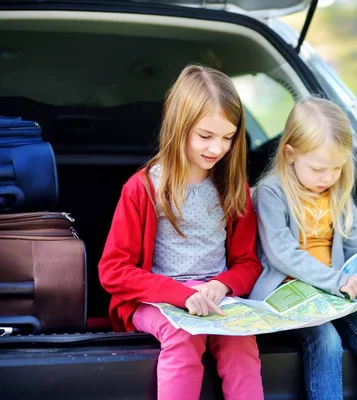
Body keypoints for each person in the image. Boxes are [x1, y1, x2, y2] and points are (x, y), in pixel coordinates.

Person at [98, 64, 263, 400]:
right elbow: (113, 270)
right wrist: (182, 295)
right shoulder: (143, 188)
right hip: (158, 300)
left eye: (228, 137)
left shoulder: (234, 189)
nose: (217, 148)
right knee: (182, 334)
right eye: (205, 136)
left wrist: (221, 285)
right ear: (179, 126)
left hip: (218, 298)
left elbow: (248, 262)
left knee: (241, 341)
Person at [249, 96, 357, 400]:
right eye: (319, 169)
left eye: (337, 168)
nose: (328, 178)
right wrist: (336, 281)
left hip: (335, 295)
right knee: (325, 340)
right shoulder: (272, 193)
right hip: (289, 296)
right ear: (290, 154)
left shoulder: (338, 196)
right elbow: (280, 252)